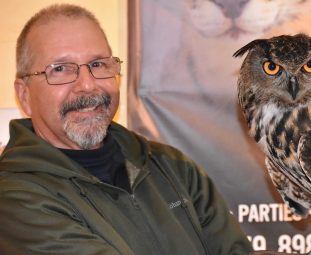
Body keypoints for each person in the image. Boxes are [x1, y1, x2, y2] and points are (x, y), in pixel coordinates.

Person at [0, 3, 253, 255]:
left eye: (98, 64)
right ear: (24, 95)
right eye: (60, 69)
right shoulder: (13, 198)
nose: (87, 85)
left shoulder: (173, 168)